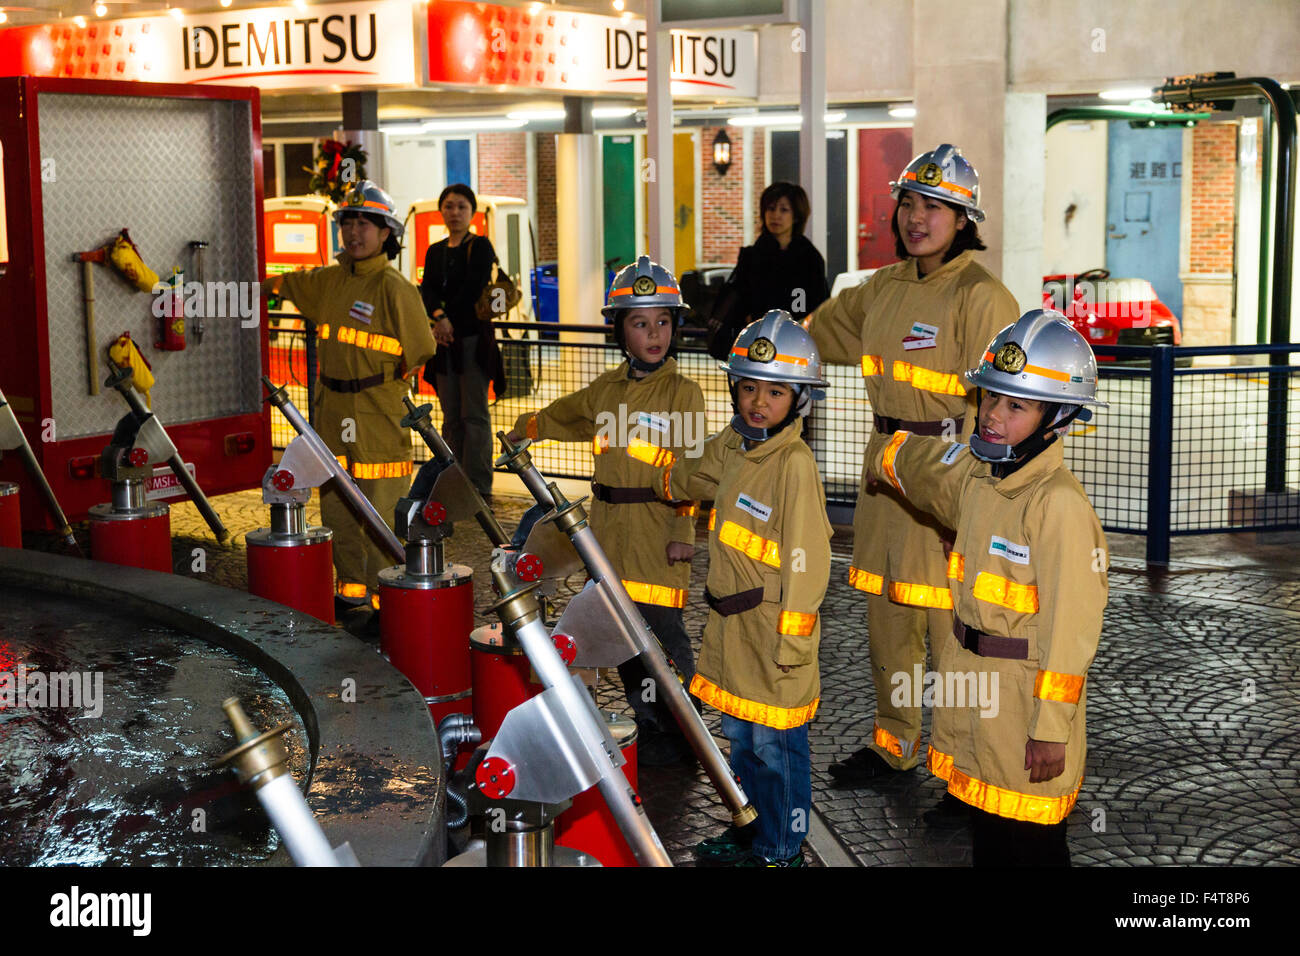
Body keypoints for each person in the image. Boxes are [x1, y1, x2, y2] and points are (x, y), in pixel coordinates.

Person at [806, 144, 1019, 797]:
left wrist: (981, 504)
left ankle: (963, 772)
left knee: (953, 635)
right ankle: (893, 745)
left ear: (963, 218)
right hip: (885, 476)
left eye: (934, 206)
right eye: (909, 203)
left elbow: (1004, 409)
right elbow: (816, 332)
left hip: (950, 476)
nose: (916, 217)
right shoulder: (883, 287)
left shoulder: (985, 298)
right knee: (888, 624)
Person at [862, 309, 1109, 865]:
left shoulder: (1059, 507)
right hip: (974, 697)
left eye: (1015, 405)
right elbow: (928, 471)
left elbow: (1072, 636)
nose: (993, 415)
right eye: (990, 397)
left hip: (1025, 712)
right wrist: (885, 455)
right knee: (990, 842)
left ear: (1060, 416)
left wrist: (1050, 729)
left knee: (1032, 849)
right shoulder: (981, 477)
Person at [506, 256, 707, 766]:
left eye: (663, 321)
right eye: (640, 323)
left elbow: (692, 466)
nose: (654, 333)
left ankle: (687, 724)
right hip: (608, 532)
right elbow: (566, 413)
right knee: (621, 635)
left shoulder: (684, 393)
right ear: (619, 330)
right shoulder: (607, 390)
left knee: (661, 635)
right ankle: (650, 718)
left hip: (657, 533)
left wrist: (685, 528)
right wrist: (528, 426)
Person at [662, 311, 833, 867]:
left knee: (776, 750)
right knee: (741, 743)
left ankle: (781, 849)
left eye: (776, 391)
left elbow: (809, 566)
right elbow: (692, 477)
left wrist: (793, 646)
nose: (758, 401)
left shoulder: (794, 465)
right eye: (749, 387)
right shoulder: (739, 445)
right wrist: (684, 462)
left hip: (773, 639)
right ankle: (747, 830)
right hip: (732, 631)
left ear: (800, 399)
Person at [263, 180, 436, 622]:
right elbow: (283, 285)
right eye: (348, 223)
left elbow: (422, 347)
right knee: (338, 504)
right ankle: (352, 592)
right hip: (332, 407)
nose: (354, 232)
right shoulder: (328, 281)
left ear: (385, 234)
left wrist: (385, 377)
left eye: (365, 224)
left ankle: (387, 602)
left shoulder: (395, 287)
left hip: (379, 411)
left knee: (379, 508)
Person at [420, 183, 498, 502]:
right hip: (444, 342)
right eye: (449, 206)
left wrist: (446, 318)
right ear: (441, 211)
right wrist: (439, 317)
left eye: (462, 207)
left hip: (472, 342)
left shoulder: (480, 246)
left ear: (472, 212)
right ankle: (454, 479)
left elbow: (473, 288)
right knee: (450, 415)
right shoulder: (434, 251)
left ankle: (479, 484)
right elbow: (427, 290)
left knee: (474, 414)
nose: (455, 213)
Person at [708, 182, 830, 360]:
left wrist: (797, 323)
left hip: (795, 343)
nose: (775, 216)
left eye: (784, 210)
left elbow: (812, 301)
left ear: (796, 216)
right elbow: (741, 297)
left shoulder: (808, 257)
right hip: (754, 341)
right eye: (771, 209)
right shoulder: (753, 255)